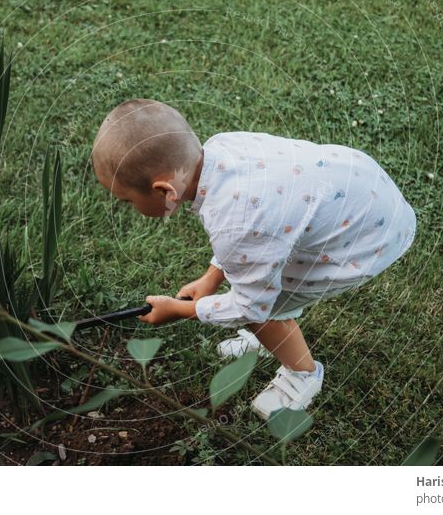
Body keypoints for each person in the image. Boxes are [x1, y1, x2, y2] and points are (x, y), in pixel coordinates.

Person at [91, 98, 417, 419]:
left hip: (364, 238)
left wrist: (179, 310)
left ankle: (302, 374)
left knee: (265, 312)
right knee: (260, 284)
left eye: (126, 200)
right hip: (361, 188)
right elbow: (254, 235)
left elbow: (250, 304)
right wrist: (211, 278)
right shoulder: (221, 148)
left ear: (164, 191)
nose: (127, 207)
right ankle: (272, 340)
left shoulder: (237, 221)